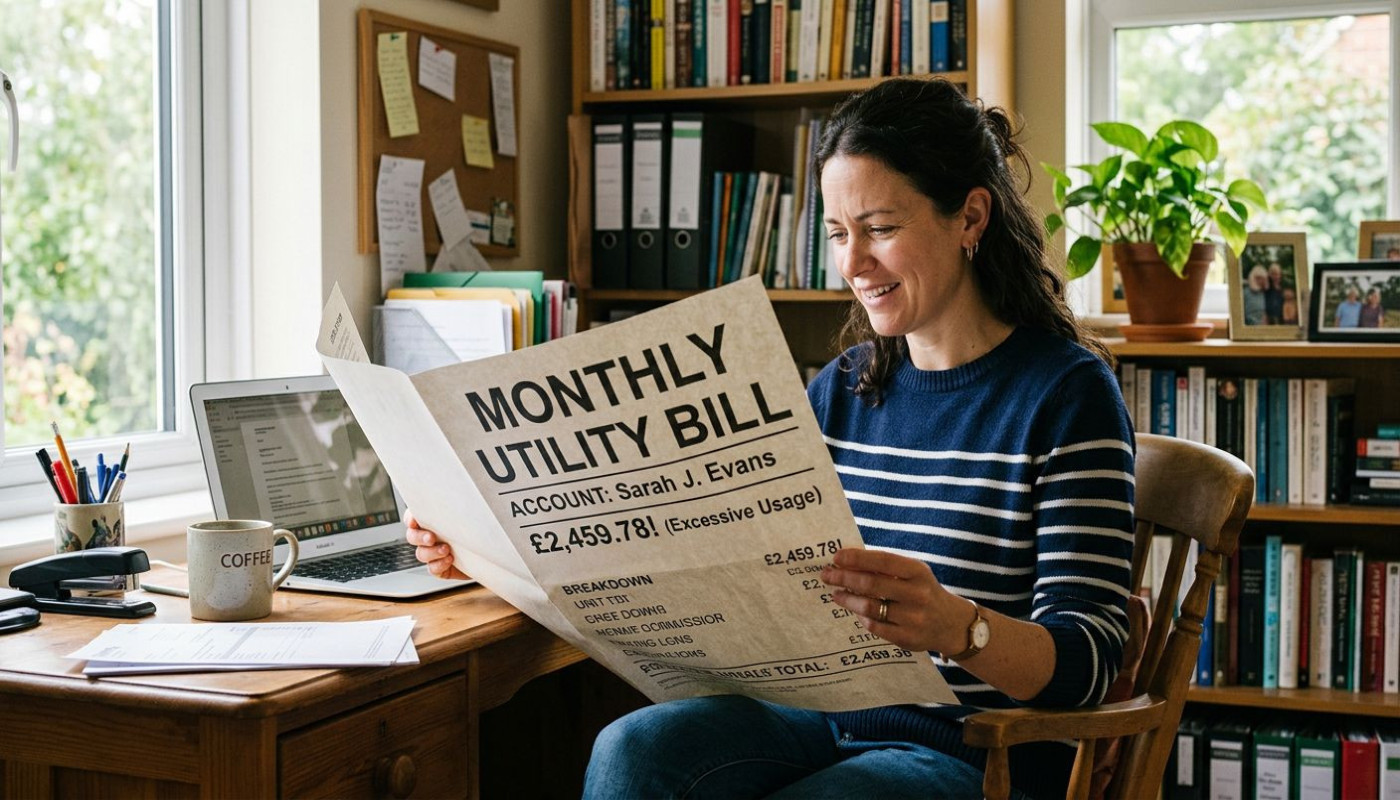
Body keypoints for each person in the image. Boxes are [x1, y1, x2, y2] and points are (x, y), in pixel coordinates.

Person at [409, 77, 1135, 800]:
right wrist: (489, 547)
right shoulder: (846, 386)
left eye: (880, 229)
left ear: (970, 216)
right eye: (838, 234)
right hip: (829, 714)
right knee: (632, 749)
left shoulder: (1066, 396)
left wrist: (957, 628)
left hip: (981, 753)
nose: (853, 265)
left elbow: (1091, 658)